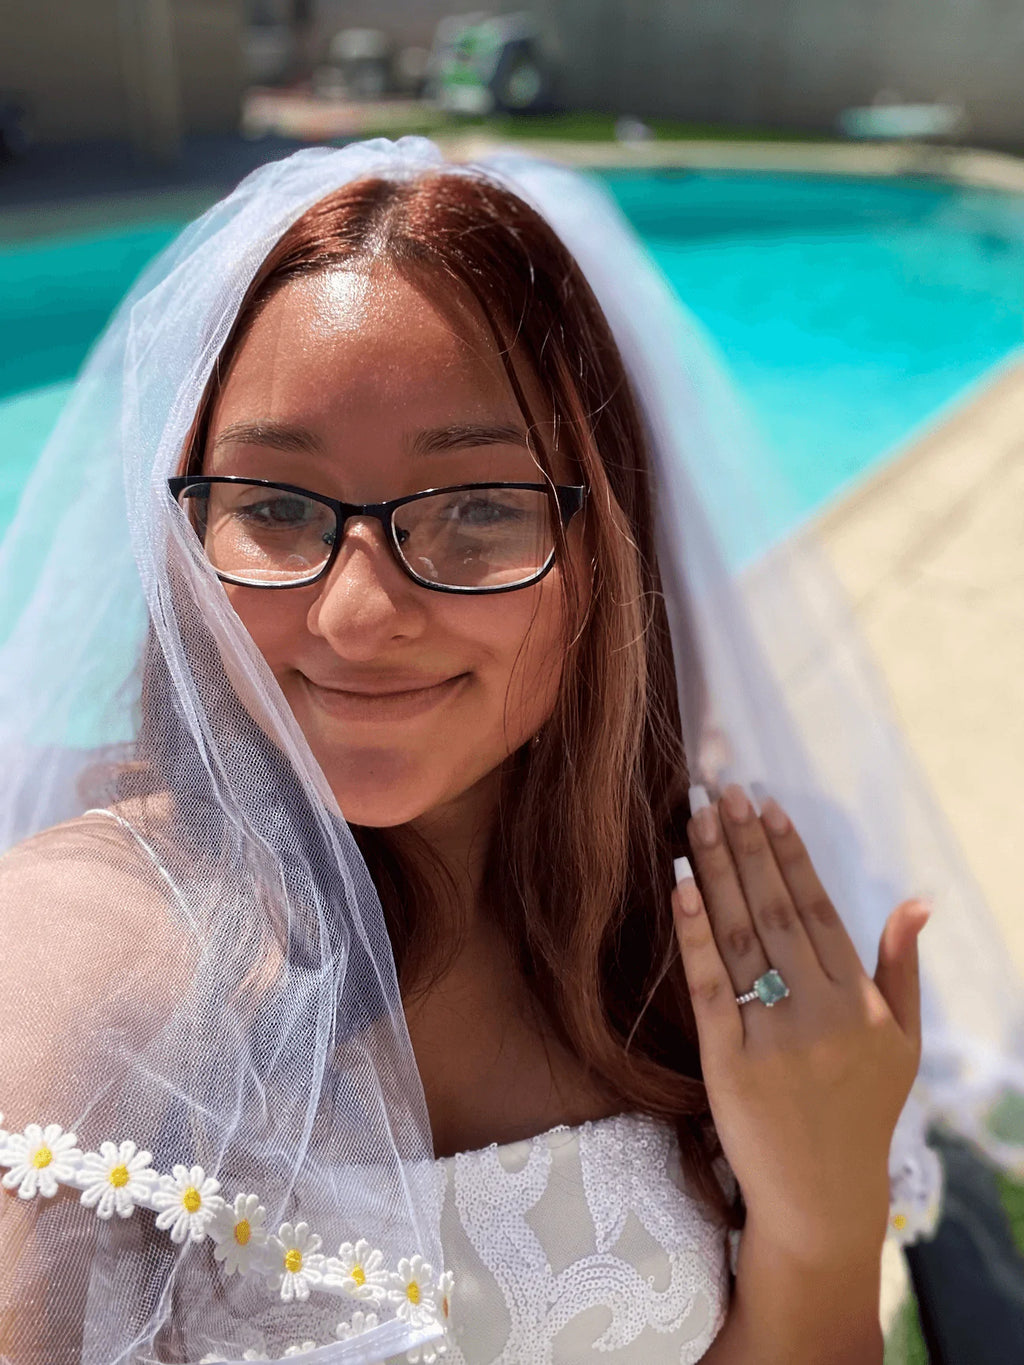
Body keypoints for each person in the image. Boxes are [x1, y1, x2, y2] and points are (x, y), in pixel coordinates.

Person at [0, 137, 1015, 1364]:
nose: (356, 617)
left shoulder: (705, 921)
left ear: (604, 547)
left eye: (476, 508)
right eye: (272, 506)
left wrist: (822, 1217)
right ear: (183, 539)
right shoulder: (89, 964)